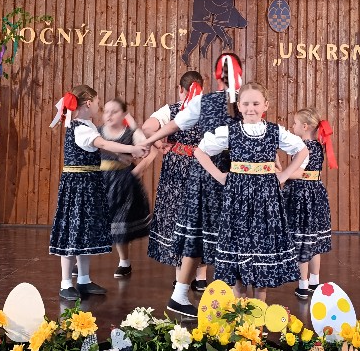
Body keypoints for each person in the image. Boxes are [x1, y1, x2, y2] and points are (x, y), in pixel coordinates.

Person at [143, 53, 243, 317]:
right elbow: (175, 124)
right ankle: (181, 294)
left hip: (232, 174)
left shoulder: (244, 102)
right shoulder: (205, 101)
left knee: (230, 236)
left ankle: (233, 299)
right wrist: (149, 140)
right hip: (208, 173)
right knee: (198, 234)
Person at [194, 82, 307, 300]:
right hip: (238, 198)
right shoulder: (231, 131)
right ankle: (240, 312)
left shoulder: (274, 131)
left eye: (256, 103)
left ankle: (258, 315)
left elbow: (302, 150)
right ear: (238, 106)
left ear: (266, 105)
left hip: (266, 198)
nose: (250, 108)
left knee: (261, 253)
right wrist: (219, 176)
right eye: (245, 104)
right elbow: (200, 151)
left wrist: (284, 175)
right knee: (239, 256)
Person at [49, 85, 144, 301]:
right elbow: (101, 142)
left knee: (84, 232)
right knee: (73, 232)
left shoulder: (87, 125)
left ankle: (83, 280)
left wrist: (120, 157)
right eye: (98, 102)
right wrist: (131, 149)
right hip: (78, 187)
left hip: (89, 184)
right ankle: (66, 283)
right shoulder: (80, 128)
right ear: (89, 103)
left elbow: (97, 147)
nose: (99, 106)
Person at [140, 71, 205, 276]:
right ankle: (201, 277)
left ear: (180, 89)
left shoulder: (172, 110)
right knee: (199, 217)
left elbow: (147, 127)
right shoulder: (208, 109)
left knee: (177, 216)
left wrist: (159, 144)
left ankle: (180, 277)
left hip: (176, 169)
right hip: (203, 167)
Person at [99, 98, 151, 277]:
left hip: (122, 182)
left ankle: (124, 262)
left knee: (120, 222)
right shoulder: (97, 133)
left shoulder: (130, 133)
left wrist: (135, 126)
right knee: (93, 221)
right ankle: (80, 262)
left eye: (114, 111)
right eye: (106, 111)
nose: (109, 115)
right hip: (100, 180)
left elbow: (146, 149)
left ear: (123, 114)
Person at [286, 108, 335, 299]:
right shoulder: (317, 145)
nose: (292, 126)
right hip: (316, 193)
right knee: (313, 240)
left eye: (295, 123)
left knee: (303, 241)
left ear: (305, 126)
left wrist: (279, 173)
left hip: (302, 195)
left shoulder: (303, 147)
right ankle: (315, 281)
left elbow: (299, 173)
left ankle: (303, 285)